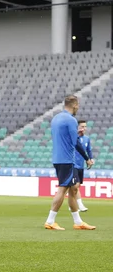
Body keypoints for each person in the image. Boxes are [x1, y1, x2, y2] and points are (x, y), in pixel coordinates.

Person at [44, 96, 95, 231]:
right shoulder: (71, 120)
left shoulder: (56, 118)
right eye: (77, 105)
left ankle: (78, 222)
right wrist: (87, 158)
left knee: (73, 189)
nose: (78, 107)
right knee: (63, 189)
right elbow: (75, 141)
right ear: (74, 105)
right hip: (67, 160)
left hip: (57, 158)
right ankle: (50, 221)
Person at [74, 120, 93, 212]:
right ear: (77, 127)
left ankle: (72, 204)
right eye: (82, 126)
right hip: (73, 164)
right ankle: (80, 205)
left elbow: (88, 150)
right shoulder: (73, 138)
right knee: (76, 185)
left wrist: (91, 159)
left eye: (85, 126)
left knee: (75, 186)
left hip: (81, 165)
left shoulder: (87, 139)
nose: (84, 128)